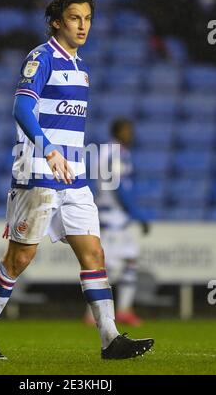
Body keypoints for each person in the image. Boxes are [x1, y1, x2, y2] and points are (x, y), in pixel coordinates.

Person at [0, 0, 154, 360]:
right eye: (74, 18)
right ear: (57, 22)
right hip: (37, 170)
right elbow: (21, 109)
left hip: (74, 175)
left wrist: (67, 159)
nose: (83, 25)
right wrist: (48, 150)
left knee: (94, 254)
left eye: (87, 19)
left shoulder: (82, 67)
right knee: (19, 259)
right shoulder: (42, 57)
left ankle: (110, 339)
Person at [84, 118, 150, 327]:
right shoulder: (118, 152)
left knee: (129, 260)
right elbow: (119, 185)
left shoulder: (104, 151)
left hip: (110, 214)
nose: (131, 134)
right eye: (127, 130)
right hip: (114, 217)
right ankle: (95, 313)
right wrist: (136, 212)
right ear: (119, 131)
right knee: (109, 267)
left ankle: (121, 310)